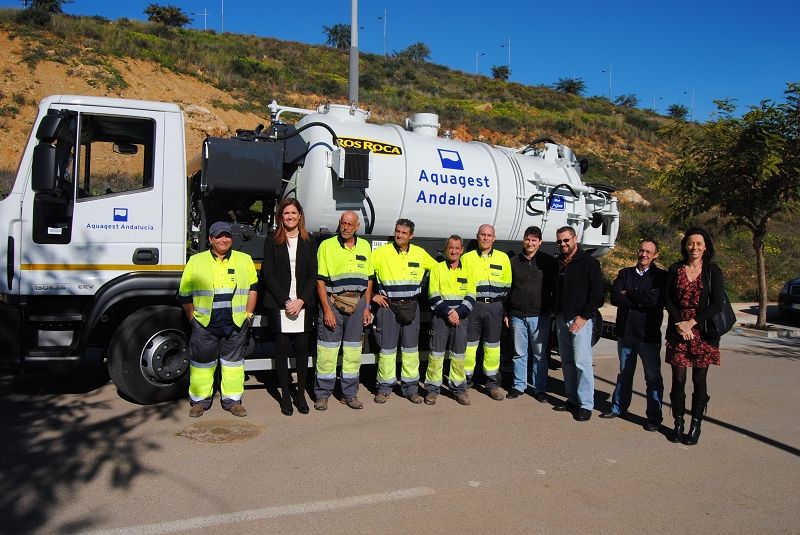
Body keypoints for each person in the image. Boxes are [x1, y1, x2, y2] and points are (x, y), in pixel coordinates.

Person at [179, 221, 258, 418]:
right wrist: (193, 321)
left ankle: (233, 401)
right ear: (210, 239)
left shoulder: (244, 260)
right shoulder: (196, 261)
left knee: (233, 366)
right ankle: (199, 401)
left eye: (227, 235)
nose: (224, 239)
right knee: (201, 365)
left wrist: (248, 315)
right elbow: (184, 295)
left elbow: (253, 289)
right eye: (219, 236)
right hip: (205, 324)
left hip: (235, 324)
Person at [664, 227, 724, 445]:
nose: (694, 247)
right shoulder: (675, 269)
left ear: (705, 246)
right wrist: (681, 323)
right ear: (685, 246)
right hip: (679, 329)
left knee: (699, 380)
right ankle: (678, 423)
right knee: (678, 380)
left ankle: (695, 425)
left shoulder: (712, 271)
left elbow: (717, 304)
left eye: (699, 243)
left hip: (703, 331)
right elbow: (667, 299)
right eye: (691, 243)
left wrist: (692, 322)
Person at [600, 239, 667, 431]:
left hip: (648, 336)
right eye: (641, 250)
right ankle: (618, 407)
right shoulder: (625, 273)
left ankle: (654, 417)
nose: (643, 254)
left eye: (648, 251)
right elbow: (615, 298)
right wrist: (639, 299)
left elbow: (654, 301)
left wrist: (629, 293)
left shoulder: (660, 277)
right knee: (624, 374)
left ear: (655, 255)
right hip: (626, 334)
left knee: (653, 377)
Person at [371, 219, 437, 404]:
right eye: (397, 231)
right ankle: (384, 388)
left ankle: (411, 389)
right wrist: (373, 296)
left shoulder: (420, 253)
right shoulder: (381, 253)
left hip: (411, 307)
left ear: (411, 236)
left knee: (410, 351)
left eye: (404, 233)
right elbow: (365, 276)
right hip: (387, 307)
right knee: (387, 350)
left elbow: (438, 270)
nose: (399, 235)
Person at [261, 199, 317, 416]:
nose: (290, 216)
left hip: (303, 303)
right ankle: (285, 395)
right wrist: (286, 300)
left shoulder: (309, 240)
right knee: (282, 350)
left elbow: (313, 274)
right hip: (279, 303)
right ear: (280, 217)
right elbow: (269, 274)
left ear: (300, 215)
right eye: (286, 213)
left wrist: (301, 299)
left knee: (302, 349)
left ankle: (300, 394)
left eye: (294, 213)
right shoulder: (272, 239)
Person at [314, 211, 373, 411]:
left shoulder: (365, 246)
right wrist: (327, 310)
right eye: (343, 223)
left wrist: (367, 307)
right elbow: (320, 281)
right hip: (333, 302)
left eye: (350, 224)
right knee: (327, 352)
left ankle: (349, 394)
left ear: (357, 227)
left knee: (353, 352)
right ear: (339, 224)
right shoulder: (326, 246)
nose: (346, 227)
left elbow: (369, 279)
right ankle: (322, 394)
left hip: (357, 303)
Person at [553, 226, 604, 422]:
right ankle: (572, 399)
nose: (563, 244)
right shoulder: (559, 263)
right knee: (566, 362)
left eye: (566, 240)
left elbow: (597, 295)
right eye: (560, 241)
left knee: (582, 363)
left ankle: (585, 404)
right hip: (561, 318)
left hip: (580, 320)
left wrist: (584, 317)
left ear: (575, 239)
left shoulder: (589, 263)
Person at [504, 226, 557, 402]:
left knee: (539, 355)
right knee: (519, 353)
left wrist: (551, 310)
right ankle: (519, 386)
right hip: (517, 314)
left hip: (539, 316)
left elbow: (555, 289)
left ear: (540, 242)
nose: (530, 243)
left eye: (534, 240)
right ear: (523, 240)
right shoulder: (514, 262)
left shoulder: (547, 262)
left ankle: (539, 388)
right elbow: (507, 289)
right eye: (528, 239)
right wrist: (506, 312)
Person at [461, 224, 512, 401]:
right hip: (474, 306)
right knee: (470, 346)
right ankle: (465, 383)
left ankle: (492, 385)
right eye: (482, 234)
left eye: (489, 235)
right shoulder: (466, 258)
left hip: (495, 307)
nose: (485, 238)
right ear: (477, 236)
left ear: (494, 238)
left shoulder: (503, 258)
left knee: (492, 347)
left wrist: (501, 306)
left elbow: (507, 285)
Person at [425, 235, 476, 405]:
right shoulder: (437, 269)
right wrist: (449, 312)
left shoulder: (468, 270)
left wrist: (458, 313)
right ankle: (432, 390)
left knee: (459, 355)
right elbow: (433, 294)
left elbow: (471, 295)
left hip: (461, 319)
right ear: (446, 249)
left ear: (462, 250)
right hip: (441, 318)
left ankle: (459, 389)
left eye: (457, 248)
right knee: (436, 355)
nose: (453, 251)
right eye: (450, 248)